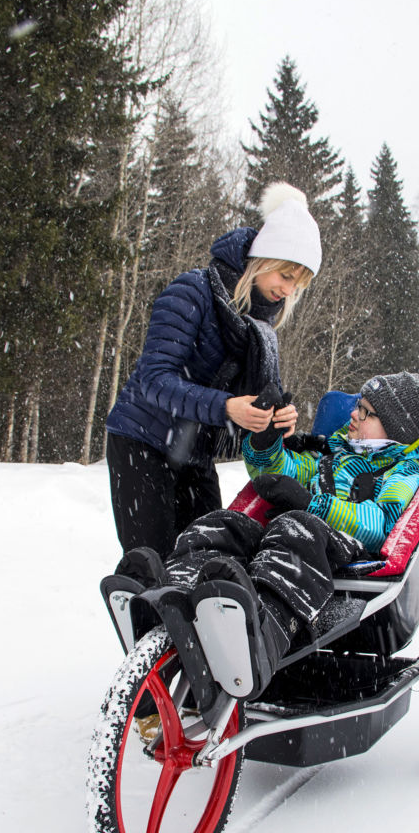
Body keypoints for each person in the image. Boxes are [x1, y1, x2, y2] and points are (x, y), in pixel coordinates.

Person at [119, 371, 419, 696]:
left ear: (397, 429)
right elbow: (282, 470)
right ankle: (168, 601)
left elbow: (380, 524)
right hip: (288, 536)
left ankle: (262, 638)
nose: (353, 414)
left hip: (342, 550)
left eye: (366, 412)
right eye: (358, 405)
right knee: (224, 524)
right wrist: (265, 442)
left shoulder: (402, 470)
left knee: (295, 528)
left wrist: (313, 505)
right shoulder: (335, 455)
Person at [105, 182, 321, 559]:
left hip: (194, 451)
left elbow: (257, 400)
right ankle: (142, 618)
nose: (288, 290)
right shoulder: (192, 292)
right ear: (264, 258)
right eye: (285, 276)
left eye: (298, 284)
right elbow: (154, 380)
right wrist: (225, 407)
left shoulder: (260, 330)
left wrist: (278, 418)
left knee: (209, 557)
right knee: (152, 562)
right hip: (142, 441)